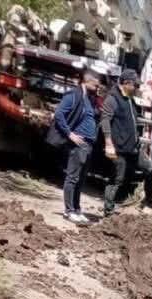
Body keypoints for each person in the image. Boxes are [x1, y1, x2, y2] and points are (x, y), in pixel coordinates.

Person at [101, 69, 152, 217]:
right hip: (118, 148)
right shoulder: (112, 99)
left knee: (150, 170)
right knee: (117, 179)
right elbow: (105, 120)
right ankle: (108, 211)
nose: (137, 88)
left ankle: (150, 201)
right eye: (135, 85)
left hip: (133, 148)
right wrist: (108, 142)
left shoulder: (129, 99)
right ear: (126, 84)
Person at [53, 70, 100, 224]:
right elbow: (59, 114)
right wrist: (70, 134)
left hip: (88, 144)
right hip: (79, 143)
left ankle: (77, 209)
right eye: (95, 85)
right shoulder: (74, 95)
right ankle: (69, 210)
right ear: (86, 81)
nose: (98, 88)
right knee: (72, 177)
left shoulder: (90, 99)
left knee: (81, 179)